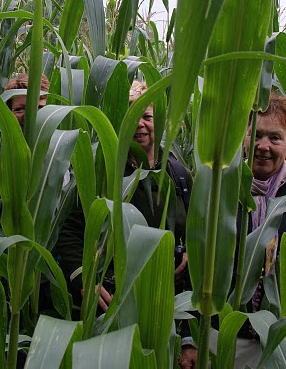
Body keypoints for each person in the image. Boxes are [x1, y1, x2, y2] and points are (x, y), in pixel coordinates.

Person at [179, 93, 286, 369]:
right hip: (225, 339)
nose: (263, 146)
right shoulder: (218, 194)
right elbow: (194, 270)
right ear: (243, 138)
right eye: (255, 135)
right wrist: (188, 337)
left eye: (275, 138)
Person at [54, 80, 193, 313]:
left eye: (147, 117)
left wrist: (190, 253)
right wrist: (84, 280)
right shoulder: (103, 173)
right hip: (112, 302)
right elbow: (68, 230)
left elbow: (197, 225)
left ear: (159, 121)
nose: (139, 124)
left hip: (168, 298)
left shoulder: (178, 174)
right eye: (131, 117)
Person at [0, 72, 50, 221]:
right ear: (8, 115)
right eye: (20, 109)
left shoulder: (63, 157)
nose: (29, 117)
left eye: (39, 108)